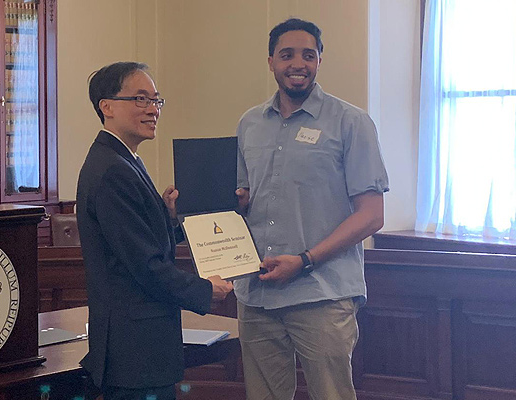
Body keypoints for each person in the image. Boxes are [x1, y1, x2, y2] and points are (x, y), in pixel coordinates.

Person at [234, 18, 389, 400]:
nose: (297, 64)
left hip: (323, 293)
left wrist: (304, 260)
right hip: (257, 295)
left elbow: (372, 215)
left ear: (320, 60)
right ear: (271, 61)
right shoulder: (249, 123)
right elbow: (243, 199)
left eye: (308, 54)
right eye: (287, 55)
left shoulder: (352, 122)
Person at [76, 61, 234, 400]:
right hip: (134, 351)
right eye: (141, 99)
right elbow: (144, 265)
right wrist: (204, 290)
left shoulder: (124, 159)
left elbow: (140, 239)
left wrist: (171, 220)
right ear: (107, 106)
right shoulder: (112, 170)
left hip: (143, 347)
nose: (152, 110)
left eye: (157, 100)